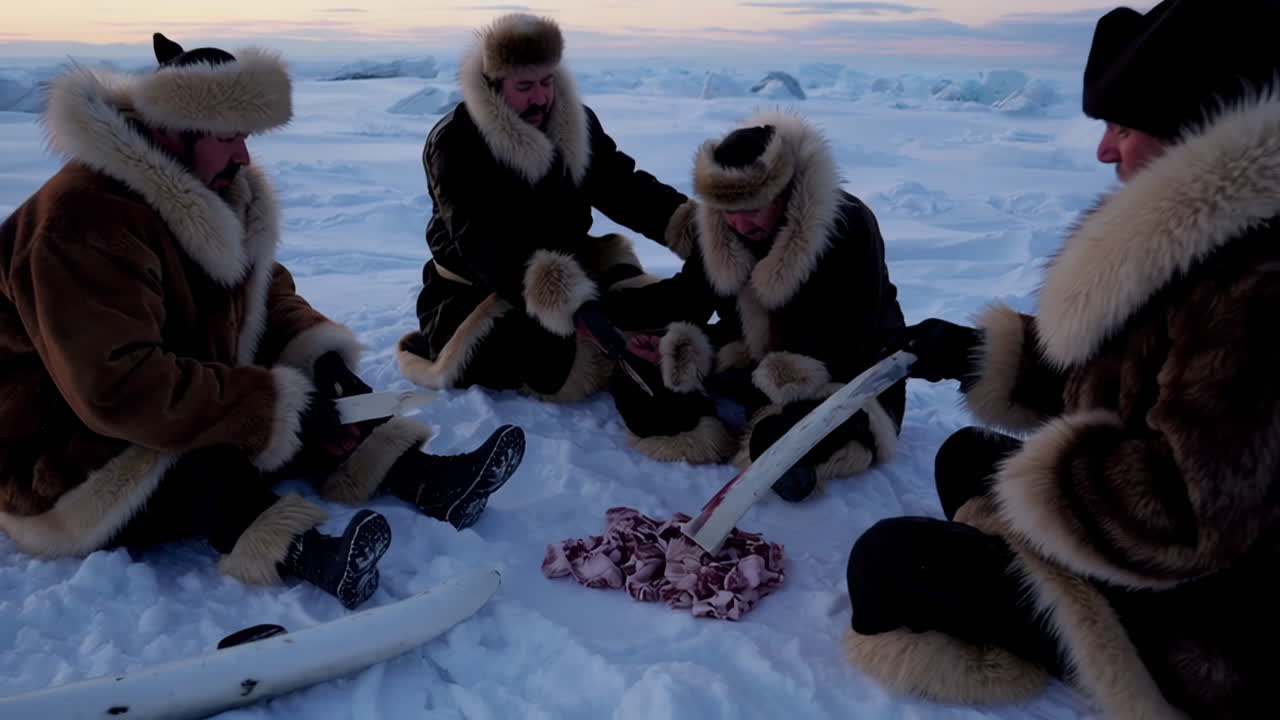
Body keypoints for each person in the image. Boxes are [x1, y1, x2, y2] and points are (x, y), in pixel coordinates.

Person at [842, 1, 1280, 716]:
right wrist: (976, 353)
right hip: (1153, 559)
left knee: (889, 562)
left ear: (1202, 137)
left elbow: (1187, 513)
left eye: (1124, 127)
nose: (1105, 150)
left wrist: (1047, 485)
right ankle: (1012, 579)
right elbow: (1127, 390)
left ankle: (1067, 637)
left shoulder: (1255, 290)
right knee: (965, 455)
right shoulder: (1201, 249)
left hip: (1207, 625)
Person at [0, 34, 525, 611]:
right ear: (173, 128)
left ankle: (426, 478)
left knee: (318, 391)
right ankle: (304, 550)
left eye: (245, 138)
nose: (244, 157)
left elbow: (264, 295)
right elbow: (118, 389)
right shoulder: (82, 223)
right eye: (229, 138)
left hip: (159, 387)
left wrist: (317, 361)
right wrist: (271, 406)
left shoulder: (214, 187)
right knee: (207, 454)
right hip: (60, 450)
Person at [600, 110, 906, 500]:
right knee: (636, 371)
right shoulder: (720, 226)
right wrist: (605, 308)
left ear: (783, 191)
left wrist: (761, 379)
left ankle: (792, 442)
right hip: (751, 355)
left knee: (779, 440)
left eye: (752, 209)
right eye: (730, 212)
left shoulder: (846, 227)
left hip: (848, 375)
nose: (741, 225)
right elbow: (687, 298)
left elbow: (851, 344)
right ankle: (716, 433)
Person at [395, 13, 699, 403]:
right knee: (558, 360)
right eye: (524, 86)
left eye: (546, 82)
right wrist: (574, 308)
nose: (540, 97)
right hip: (479, 293)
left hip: (571, 272)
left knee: (662, 316)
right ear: (494, 83)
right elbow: (487, 248)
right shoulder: (457, 143)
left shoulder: (574, 123)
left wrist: (699, 231)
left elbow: (624, 189)